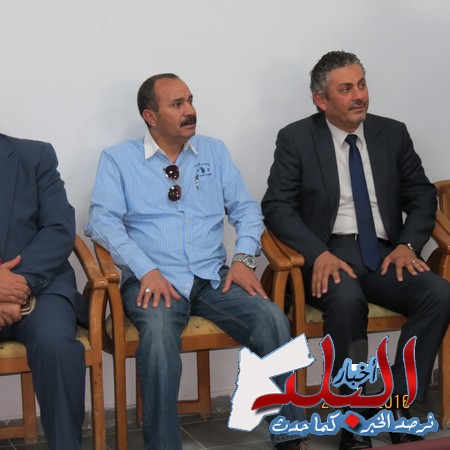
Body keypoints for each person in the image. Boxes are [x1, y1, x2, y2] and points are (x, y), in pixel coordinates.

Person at [85, 73, 308, 450]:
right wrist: (145, 269)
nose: (190, 110)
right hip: (153, 280)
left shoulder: (213, 152)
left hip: (212, 277)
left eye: (190, 100)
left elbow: (246, 210)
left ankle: (290, 437)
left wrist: (243, 259)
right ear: (150, 116)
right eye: (177, 104)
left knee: (270, 318)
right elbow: (102, 222)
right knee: (158, 339)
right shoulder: (118, 159)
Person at [262, 50, 450, 450]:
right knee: (347, 302)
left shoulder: (392, 133)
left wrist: (408, 244)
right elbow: (277, 207)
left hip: (386, 254)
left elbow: (421, 195)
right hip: (330, 254)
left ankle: (397, 404)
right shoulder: (296, 138)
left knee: (438, 294)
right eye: (346, 89)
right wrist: (317, 254)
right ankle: (353, 418)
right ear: (321, 100)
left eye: (361, 84)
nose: (359, 95)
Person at [0, 134, 87, 449]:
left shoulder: (34, 155)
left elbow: (59, 228)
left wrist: (17, 285)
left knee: (56, 345)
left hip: (41, 287)